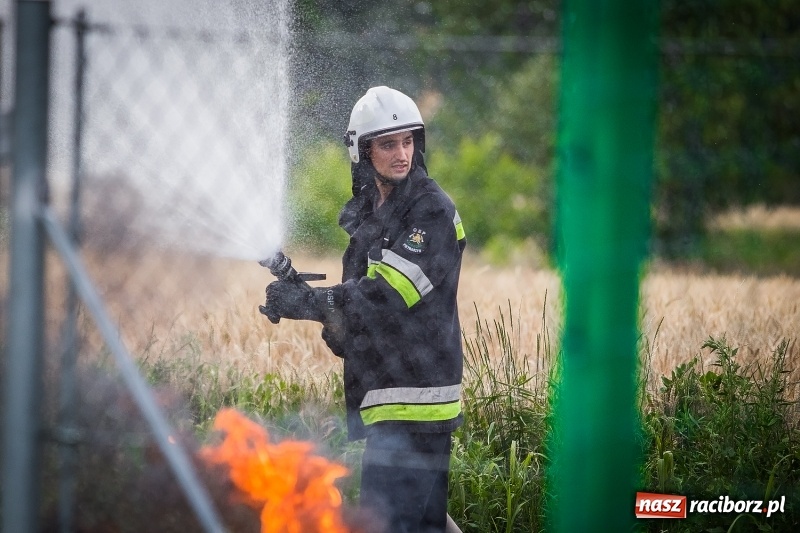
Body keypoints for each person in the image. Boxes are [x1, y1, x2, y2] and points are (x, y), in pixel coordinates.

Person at [263, 86, 466, 533]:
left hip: (415, 403)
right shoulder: (369, 220)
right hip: (387, 403)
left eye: (408, 141)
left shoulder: (430, 209)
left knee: (387, 525)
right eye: (388, 144)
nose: (401, 154)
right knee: (426, 527)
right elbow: (350, 324)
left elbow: (390, 296)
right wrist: (310, 305)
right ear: (362, 151)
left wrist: (317, 301)